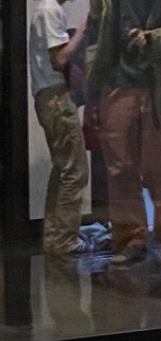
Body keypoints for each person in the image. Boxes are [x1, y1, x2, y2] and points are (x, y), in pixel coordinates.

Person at [86, 0, 161, 264]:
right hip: (117, 85)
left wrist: (151, 39)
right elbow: (94, 38)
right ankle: (131, 240)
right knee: (120, 169)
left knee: (156, 168)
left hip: (156, 86)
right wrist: (92, 93)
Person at [30, 0, 90, 256]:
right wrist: (82, 31)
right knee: (75, 171)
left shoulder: (43, 10)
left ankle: (55, 238)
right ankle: (65, 241)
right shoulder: (50, 10)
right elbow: (60, 59)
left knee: (63, 170)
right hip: (56, 98)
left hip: (47, 98)